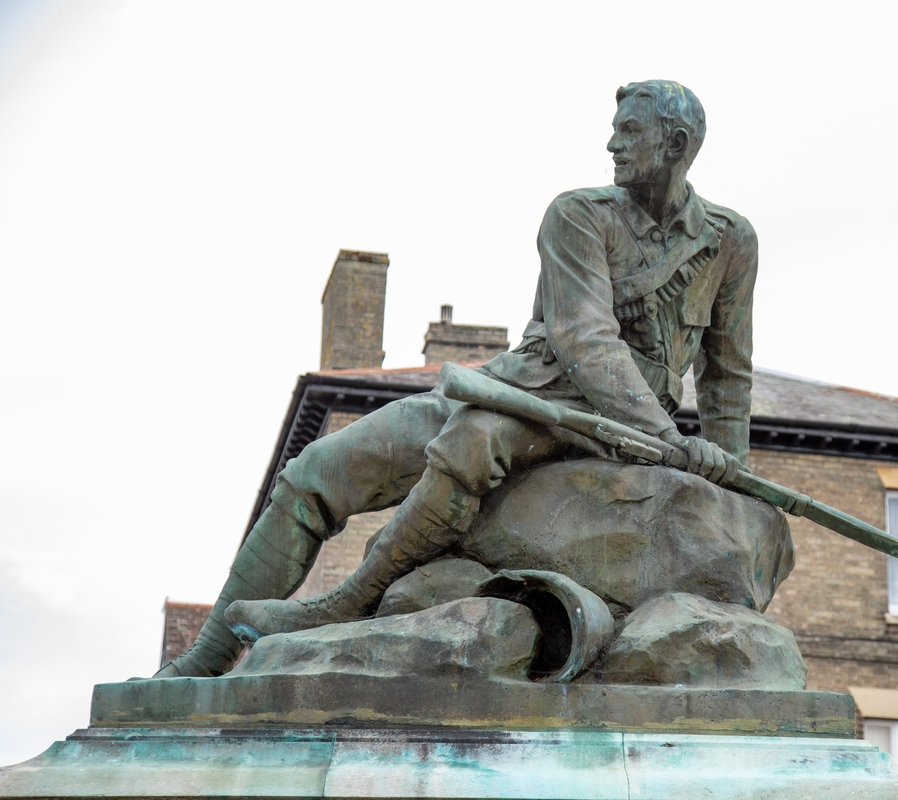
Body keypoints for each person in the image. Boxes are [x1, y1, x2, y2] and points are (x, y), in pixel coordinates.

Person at [155, 79, 759, 679]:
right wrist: (676, 442)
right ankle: (204, 658)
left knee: (475, 441)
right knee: (318, 469)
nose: (611, 144)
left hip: (607, 427)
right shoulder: (578, 215)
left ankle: (350, 598)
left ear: (675, 144)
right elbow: (585, 339)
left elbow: (727, 374)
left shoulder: (730, 242)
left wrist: (727, 480)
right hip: (527, 385)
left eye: (629, 131)